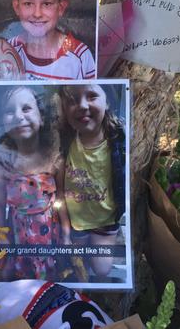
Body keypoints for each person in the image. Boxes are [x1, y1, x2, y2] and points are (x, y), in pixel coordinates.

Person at [0, 86, 70, 281]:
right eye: (10, 111)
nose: (18, 116)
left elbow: (61, 197)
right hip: (18, 237)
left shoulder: (54, 158)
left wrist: (67, 235)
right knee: (14, 279)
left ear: (42, 118)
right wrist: (2, 237)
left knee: (49, 280)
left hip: (49, 237)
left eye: (26, 108)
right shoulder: (3, 160)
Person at [59, 84, 125, 280]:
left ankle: (96, 244)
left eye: (92, 96)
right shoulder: (64, 142)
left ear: (107, 101)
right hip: (75, 222)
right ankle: (83, 245)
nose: (82, 105)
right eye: (72, 100)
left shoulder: (118, 141)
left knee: (102, 269)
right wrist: (64, 231)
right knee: (77, 268)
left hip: (105, 221)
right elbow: (60, 191)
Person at [8, 0, 96, 80]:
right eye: (28, 4)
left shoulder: (80, 56)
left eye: (47, 4)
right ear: (16, 7)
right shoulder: (8, 50)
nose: (37, 14)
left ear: (61, 7)